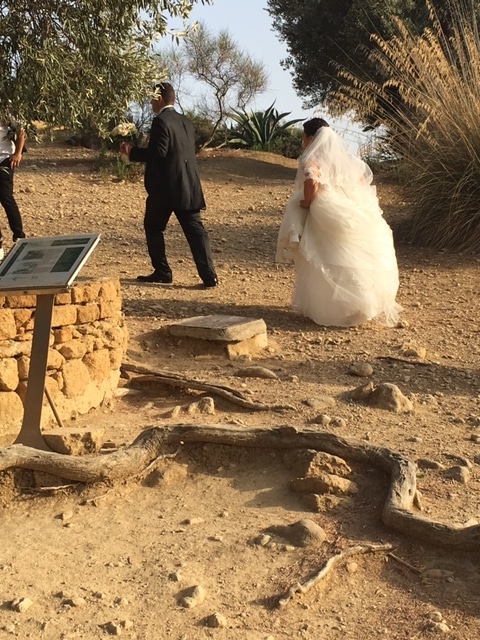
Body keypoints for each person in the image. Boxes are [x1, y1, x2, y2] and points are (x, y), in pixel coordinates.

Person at [276, 117, 402, 327]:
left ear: (309, 137)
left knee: (324, 254)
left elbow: (311, 181)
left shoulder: (312, 158)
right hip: (350, 206)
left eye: (303, 137)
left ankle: (331, 308)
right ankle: (361, 303)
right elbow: (362, 181)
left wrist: (307, 202)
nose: (303, 142)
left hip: (324, 208)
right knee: (353, 254)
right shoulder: (348, 161)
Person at [120, 82, 218, 287]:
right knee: (196, 232)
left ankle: (162, 271)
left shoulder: (160, 122)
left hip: (165, 189)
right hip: (188, 187)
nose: (150, 102)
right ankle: (209, 276)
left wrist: (132, 152)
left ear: (159, 98)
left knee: (153, 227)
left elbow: (159, 152)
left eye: (152, 97)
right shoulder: (185, 122)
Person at [0, 115, 26, 261]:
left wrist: (18, 153)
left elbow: (21, 129)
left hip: (4, 159)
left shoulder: (5, 107)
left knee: (6, 198)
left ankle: (19, 236)